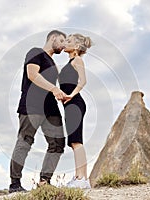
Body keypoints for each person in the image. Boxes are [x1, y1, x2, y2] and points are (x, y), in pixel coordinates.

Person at [9, 30, 67, 193]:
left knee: (57, 144)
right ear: (53, 38)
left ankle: (44, 182)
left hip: (51, 109)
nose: (63, 45)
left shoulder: (54, 64)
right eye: (62, 41)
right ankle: (15, 184)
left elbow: (51, 86)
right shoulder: (36, 52)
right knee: (25, 141)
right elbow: (32, 75)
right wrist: (54, 88)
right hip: (31, 106)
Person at [59, 33, 92, 189]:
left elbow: (83, 81)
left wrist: (71, 95)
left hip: (75, 103)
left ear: (77, 47)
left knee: (76, 142)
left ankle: (81, 179)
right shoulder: (70, 62)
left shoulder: (77, 60)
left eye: (69, 41)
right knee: (74, 143)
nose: (65, 43)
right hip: (70, 104)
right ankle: (81, 178)